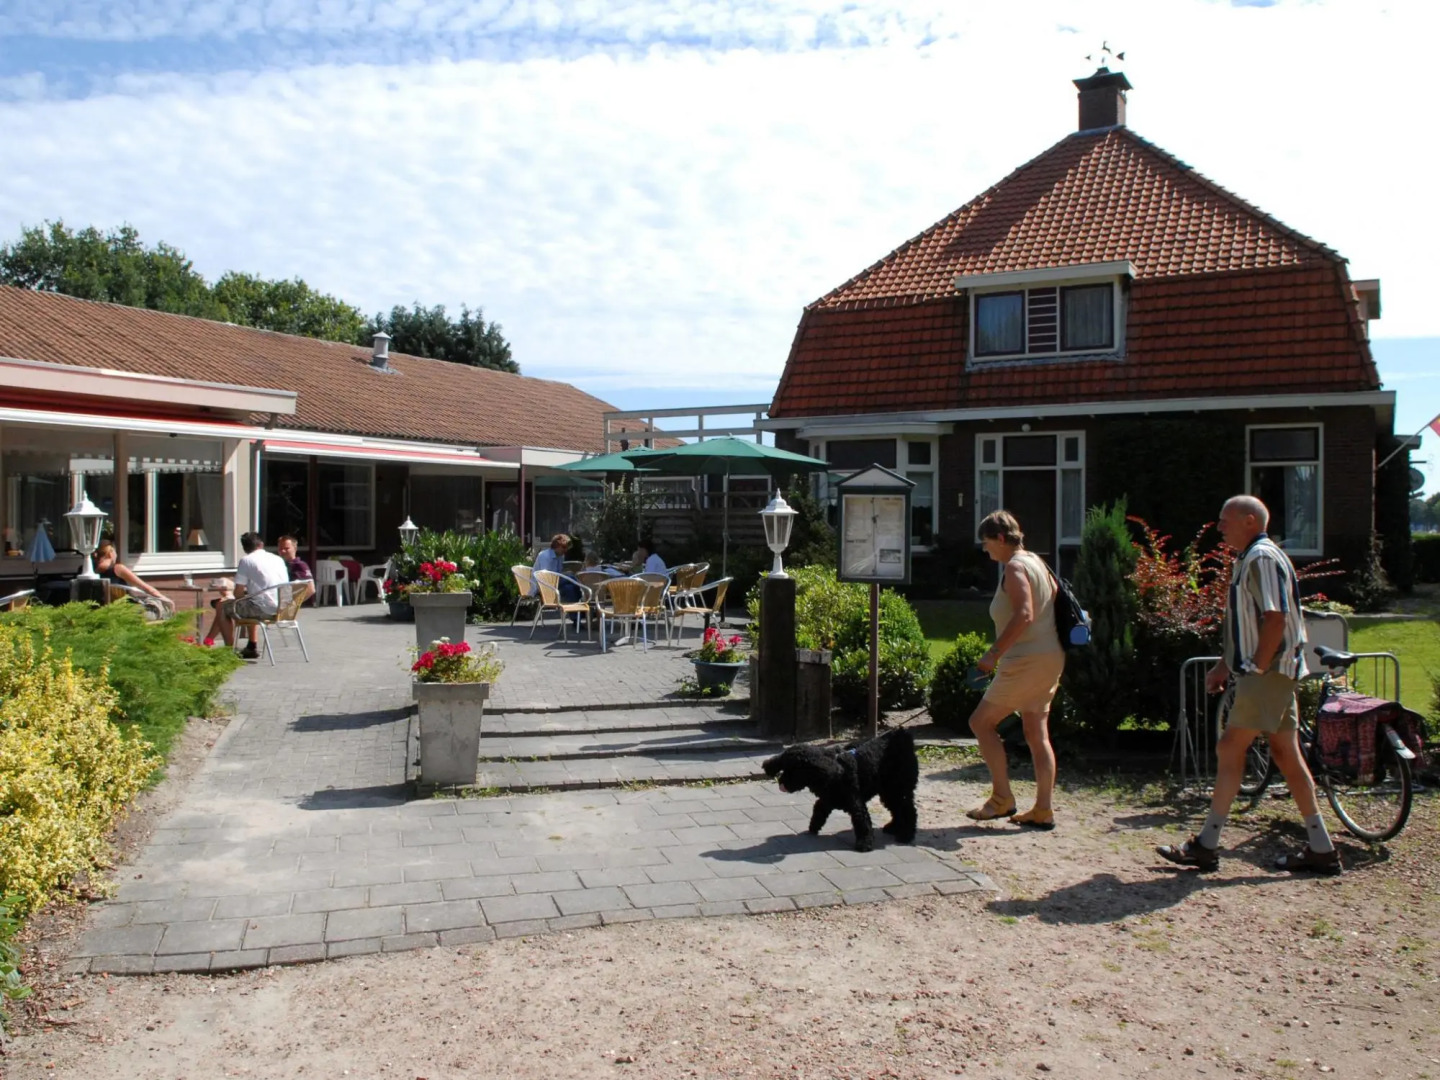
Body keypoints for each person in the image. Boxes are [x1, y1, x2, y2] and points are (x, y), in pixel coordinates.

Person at [1157, 495, 1340, 874]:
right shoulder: (1252, 558)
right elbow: (1251, 621)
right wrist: (1227, 664)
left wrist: (1256, 667)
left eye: (1225, 521)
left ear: (1250, 521)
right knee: (1286, 754)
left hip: (1268, 673)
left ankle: (1206, 844)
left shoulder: (1261, 558)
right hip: (1271, 672)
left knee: (1229, 747)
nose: (1220, 528)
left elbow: (1274, 618)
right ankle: (1322, 848)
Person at [965, 510, 1066, 829]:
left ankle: (1001, 799)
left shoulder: (1016, 567)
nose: (985, 550)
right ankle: (1043, 809)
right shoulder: (1038, 562)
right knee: (1037, 732)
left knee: (981, 723)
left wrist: (992, 656)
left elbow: (1024, 614)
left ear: (1000, 538)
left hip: (1025, 660)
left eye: (986, 542)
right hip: (1050, 657)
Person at [213, 532, 293, 659]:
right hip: (285, 609)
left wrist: (233, 598)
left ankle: (229, 650)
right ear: (261, 544)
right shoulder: (277, 559)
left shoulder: (246, 560)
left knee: (222, 607)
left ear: (245, 548)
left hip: (265, 610)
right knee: (251, 602)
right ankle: (251, 645)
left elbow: (238, 593)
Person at [94, 542, 166, 601]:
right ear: (111, 553)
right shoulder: (118, 569)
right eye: (116, 552)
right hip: (125, 610)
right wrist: (166, 600)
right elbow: (146, 588)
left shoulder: (89, 571)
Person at [532, 533, 580, 602]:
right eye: (563, 547)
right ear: (556, 545)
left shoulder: (560, 557)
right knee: (571, 581)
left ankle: (576, 611)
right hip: (542, 586)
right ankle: (574, 611)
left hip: (554, 583)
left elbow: (558, 573)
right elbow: (545, 577)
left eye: (566, 548)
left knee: (571, 587)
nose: (565, 550)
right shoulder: (545, 556)